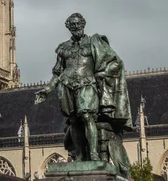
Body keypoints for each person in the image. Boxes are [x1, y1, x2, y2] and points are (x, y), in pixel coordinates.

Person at [35, 13, 131, 163]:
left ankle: (93, 154)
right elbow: (57, 72)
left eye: (78, 24)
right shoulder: (63, 48)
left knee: (87, 117)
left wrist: (103, 73)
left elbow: (116, 62)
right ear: (68, 27)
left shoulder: (94, 43)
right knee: (73, 121)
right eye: (72, 25)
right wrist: (47, 89)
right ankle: (79, 155)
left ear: (83, 24)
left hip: (87, 84)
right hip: (66, 86)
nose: (76, 27)